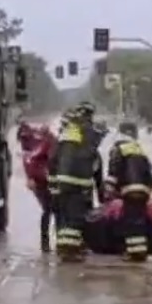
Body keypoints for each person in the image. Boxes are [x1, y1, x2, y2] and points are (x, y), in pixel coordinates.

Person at [47, 103, 99, 262]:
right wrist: (91, 186)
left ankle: (63, 248)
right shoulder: (89, 132)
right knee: (75, 218)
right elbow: (91, 160)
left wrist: (53, 185)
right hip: (78, 181)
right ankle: (71, 251)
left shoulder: (67, 131)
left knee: (64, 216)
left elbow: (53, 158)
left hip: (62, 181)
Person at [104, 121, 152, 262]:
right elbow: (149, 172)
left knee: (131, 222)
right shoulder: (138, 149)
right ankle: (140, 251)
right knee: (140, 221)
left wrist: (108, 191)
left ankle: (134, 254)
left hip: (129, 189)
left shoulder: (118, 148)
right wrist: (149, 191)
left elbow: (114, 170)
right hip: (143, 190)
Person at [18, 122, 57, 252]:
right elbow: (31, 161)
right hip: (42, 181)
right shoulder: (35, 147)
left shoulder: (44, 142)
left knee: (50, 209)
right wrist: (31, 178)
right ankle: (46, 242)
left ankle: (48, 242)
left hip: (45, 180)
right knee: (49, 209)